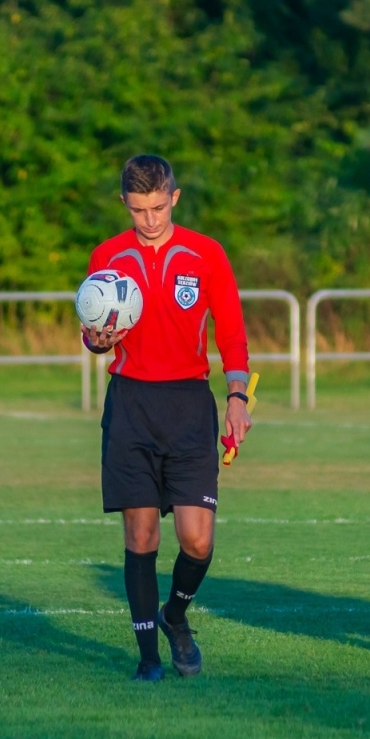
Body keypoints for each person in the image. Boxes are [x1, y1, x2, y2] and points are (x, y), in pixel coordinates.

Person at [83, 155, 253, 681]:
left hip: (187, 405)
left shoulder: (205, 254)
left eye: (158, 207)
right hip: (131, 405)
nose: (150, 220)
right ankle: (149, 661)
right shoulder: (108, 256)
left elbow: (231, 330)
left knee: (197, 540)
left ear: (174, 198)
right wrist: (97, 339)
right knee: (140, 537)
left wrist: (238, 396)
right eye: (138, 210)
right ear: (125, 205)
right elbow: (93, 330)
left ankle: (174, 616)